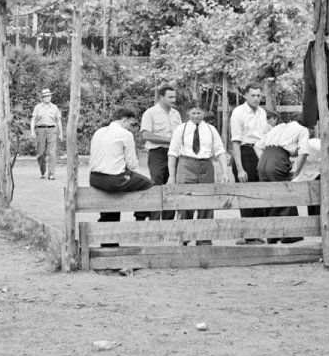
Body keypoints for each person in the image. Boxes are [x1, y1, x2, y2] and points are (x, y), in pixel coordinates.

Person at [168, 106, 229, 242]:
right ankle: (183, 236)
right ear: (188, 112)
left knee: (206, 201)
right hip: (186, 165)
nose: (196, 116)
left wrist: (225, 171)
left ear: (204, 113)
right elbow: (172, 152)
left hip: (206, 165)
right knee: (184, 201)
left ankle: (204, 238)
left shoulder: (210, 130)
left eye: (199, 113)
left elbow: (219, 150)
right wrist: (171, 176)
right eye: (193, 112)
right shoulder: (181, 129)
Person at [89, 107, 153, 229]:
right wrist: (133, 175)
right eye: (130, 124)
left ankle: (108, 240)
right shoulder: (126, 134)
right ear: (124, 120)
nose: (130, 127)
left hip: (94, 178)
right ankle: (139, 218)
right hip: (113, 180)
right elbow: (132, 163)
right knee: (150, 185)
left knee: (111, 202)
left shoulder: (98, 132)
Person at [254, 113, 310, 243]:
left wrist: (264, 161)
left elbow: (256, 146)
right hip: (278, 160)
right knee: (286, 195)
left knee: (270, 198)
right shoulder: (303, 130)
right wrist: (296, 171)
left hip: (263, 161)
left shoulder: (278, 127)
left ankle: (272, 236)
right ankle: (289, 236)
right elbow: (303, 152)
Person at [229, 85, 271, 237]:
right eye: (253, 95)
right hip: (244, 152)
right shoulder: (238, 112)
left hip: (259, 152)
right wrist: (240, 168)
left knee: (260, 193)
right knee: (246, 195)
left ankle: (258, 233)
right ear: (245, 95)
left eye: (259, 95)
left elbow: (264, 136)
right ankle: (247, 234)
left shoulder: (262, 112)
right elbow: (235, 141)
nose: (256, 98)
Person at [140, 85, 181, 221]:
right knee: (156, 185)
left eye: (174, 97)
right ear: (161, 97)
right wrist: (169, 140)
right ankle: (155, 222)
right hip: (157, 152)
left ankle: (168, 223)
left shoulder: (176, 114)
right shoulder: (150, 113)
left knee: (172, 184)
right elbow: (145, 135)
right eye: (170, 97)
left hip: (174, 153)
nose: (173, 100)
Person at [29, 88, 63, 181]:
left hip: (52, 130)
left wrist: (61, 133)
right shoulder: (38, 107)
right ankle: (43, 170)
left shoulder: (54, 107)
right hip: (40, 130)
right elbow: (33, 119)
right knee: (41, 153)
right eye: (46, 96)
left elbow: (58, 120)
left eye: (49, 96)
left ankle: (51, 174)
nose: (48, 98)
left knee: (52, 153)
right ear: (42, 98)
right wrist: (32, 131)